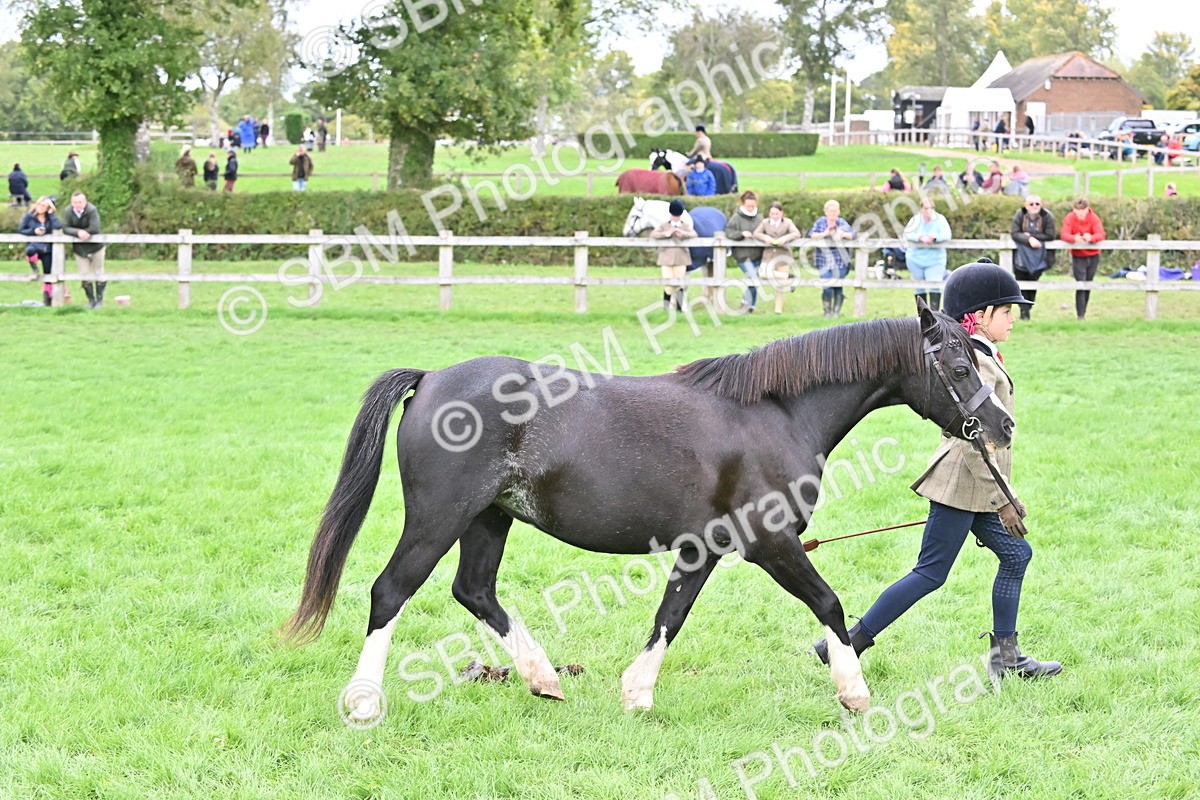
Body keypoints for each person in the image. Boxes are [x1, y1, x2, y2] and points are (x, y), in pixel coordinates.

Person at [813, 260, 1060, 682]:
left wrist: (1002, 495)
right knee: (931, 573)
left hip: (978, 487)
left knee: (1016, 554)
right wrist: (1003, 501)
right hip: (963, 484)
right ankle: (848, 642)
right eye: (1006, 311)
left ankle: (1007, 655)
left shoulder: (982, 354)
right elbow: (973, 440)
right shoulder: (972, 362)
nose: (1013, 320)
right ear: (979, 316)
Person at [1009, 195, 1057, 319]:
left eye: (1037, 204)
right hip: (1022, 256)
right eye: (1031, 204)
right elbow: (1014, 233)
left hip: (1039, 256)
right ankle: (1024, 312)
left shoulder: (1047, 216)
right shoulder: (1020, 214)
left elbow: (1050, 235)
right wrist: (1028, 239)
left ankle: (1028, 307)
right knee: (1021, 282)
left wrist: (1033, 236)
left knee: (1033, 283)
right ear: (1026, 205)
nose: (1034, 206)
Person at [753, 202, 803, 315]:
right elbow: (756, 233)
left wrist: (785, 238)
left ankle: (778, 310)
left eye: (776, 213)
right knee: (763, 273)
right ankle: (790, 277)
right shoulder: (765, 222)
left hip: (783, 255)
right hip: (769, 255)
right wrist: (765, 237)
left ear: (781, 213)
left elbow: (796, 233)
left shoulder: (788, 222)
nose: (774, 215)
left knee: (780, 284)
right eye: (772, 213)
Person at [807, 199, 854, 317]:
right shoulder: (821, 222)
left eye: (835, 210)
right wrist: (825, 234)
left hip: (840, 260)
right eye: (830, 210)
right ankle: (827, 311)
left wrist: (842, 234)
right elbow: (812, 234)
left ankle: (836, 312)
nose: (832, 213)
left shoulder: (842, 223)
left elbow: (852, 234)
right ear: (826, 211)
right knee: (827, 284)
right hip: (824, 259)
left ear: (838, 212)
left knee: (838, 285)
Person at [1060, 198, 1105, 320]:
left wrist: (1091, 238)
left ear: (1087, 209)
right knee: (1080, 283)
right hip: (1078, 255)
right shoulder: (1069, 218)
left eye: (1083, 211)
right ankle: (1081, 314)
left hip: (1093, 254)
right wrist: (1074, 238)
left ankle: (1083, 310)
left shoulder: (1094, 218)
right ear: (1074, 210)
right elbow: (1064, 234)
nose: (1080, 213)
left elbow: (1100, 234)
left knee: (1088, 283)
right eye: (1078, 211)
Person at [902, 197, 951, 311]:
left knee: (935, 284)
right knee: (919, 287)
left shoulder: (940, 219)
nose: (929, 210)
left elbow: (947, 234)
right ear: (921, 209)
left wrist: (934, 237)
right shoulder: (915, 220)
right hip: (915, 258)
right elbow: (907, 234)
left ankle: (935, 317)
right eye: (926, 208)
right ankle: (923, 317)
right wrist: (919, 237)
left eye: (931, 208)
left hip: (935, 258)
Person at [63, 191, 107, 309]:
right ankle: (91, 300)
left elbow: (95, 227)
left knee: (99, 272)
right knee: (84, 274)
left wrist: (86, 233)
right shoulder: (68, 211)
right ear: (72, 203)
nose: (78, 204)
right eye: (75, 202)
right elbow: (65, 228)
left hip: (96, 247)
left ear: (85, 201)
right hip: (80, 249)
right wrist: (78, 232)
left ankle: (100, 300)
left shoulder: (92, 210)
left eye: (80, 202)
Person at [650, 199, 696, 310]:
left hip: (681, 258)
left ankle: (679, 309)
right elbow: (654, 234)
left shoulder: (685, 225)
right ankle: (666, 308)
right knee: (668, 283)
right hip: (666, 258)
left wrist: (684, 234)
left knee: (679, 283)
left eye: (678, 215)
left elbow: (694, 234)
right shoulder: (665, 225)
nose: (676, 217)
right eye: (674, 215)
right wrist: (667, 234)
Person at [724, 190, 763, 313]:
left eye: (753, 206)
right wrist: (741, 234)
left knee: (755, 280)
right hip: (743, 255)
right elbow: (729, 232)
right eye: (748, 206)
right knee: (753, 278)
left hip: (757, 254)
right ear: (743, 204)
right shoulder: (736, 217)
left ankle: (751, 306)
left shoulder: (759, 218)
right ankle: (746, 303)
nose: (751, 208)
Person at [19, 196, 62, 303]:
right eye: (39, 204)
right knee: (30, 251)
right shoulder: (29, 216)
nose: (41, 207)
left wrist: (52, 214)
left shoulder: (50, 218)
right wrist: (34, 231)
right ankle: (34, 268)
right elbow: (21, 229)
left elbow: (58, 226)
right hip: (34, 246)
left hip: (47, 248)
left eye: (44, 206)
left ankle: (48, 299)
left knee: (48, 274)